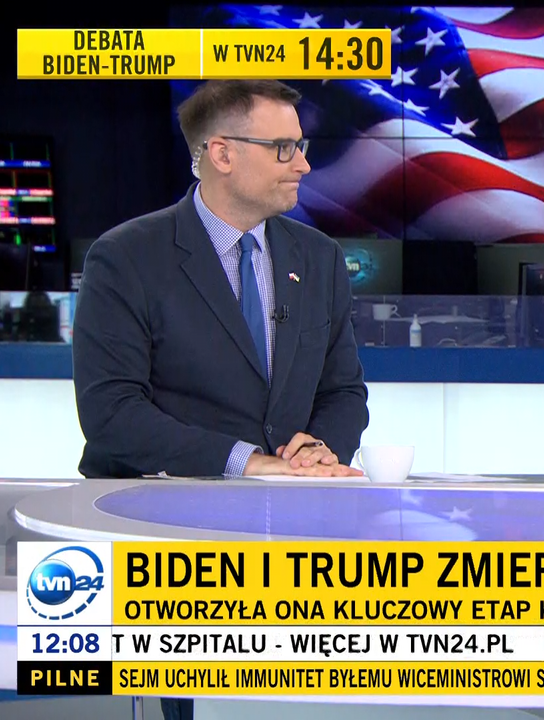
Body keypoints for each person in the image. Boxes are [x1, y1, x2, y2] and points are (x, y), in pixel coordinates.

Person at [73, 80, 369, 719]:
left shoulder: (318, 258)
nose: (303, 164)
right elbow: (111, 416)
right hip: (158, 543)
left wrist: (320, 448)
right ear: (222, 153)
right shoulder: (126, 257)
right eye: (284, 147)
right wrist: (247, 461)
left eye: (302, 146)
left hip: (286, 545)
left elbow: (344, 391)